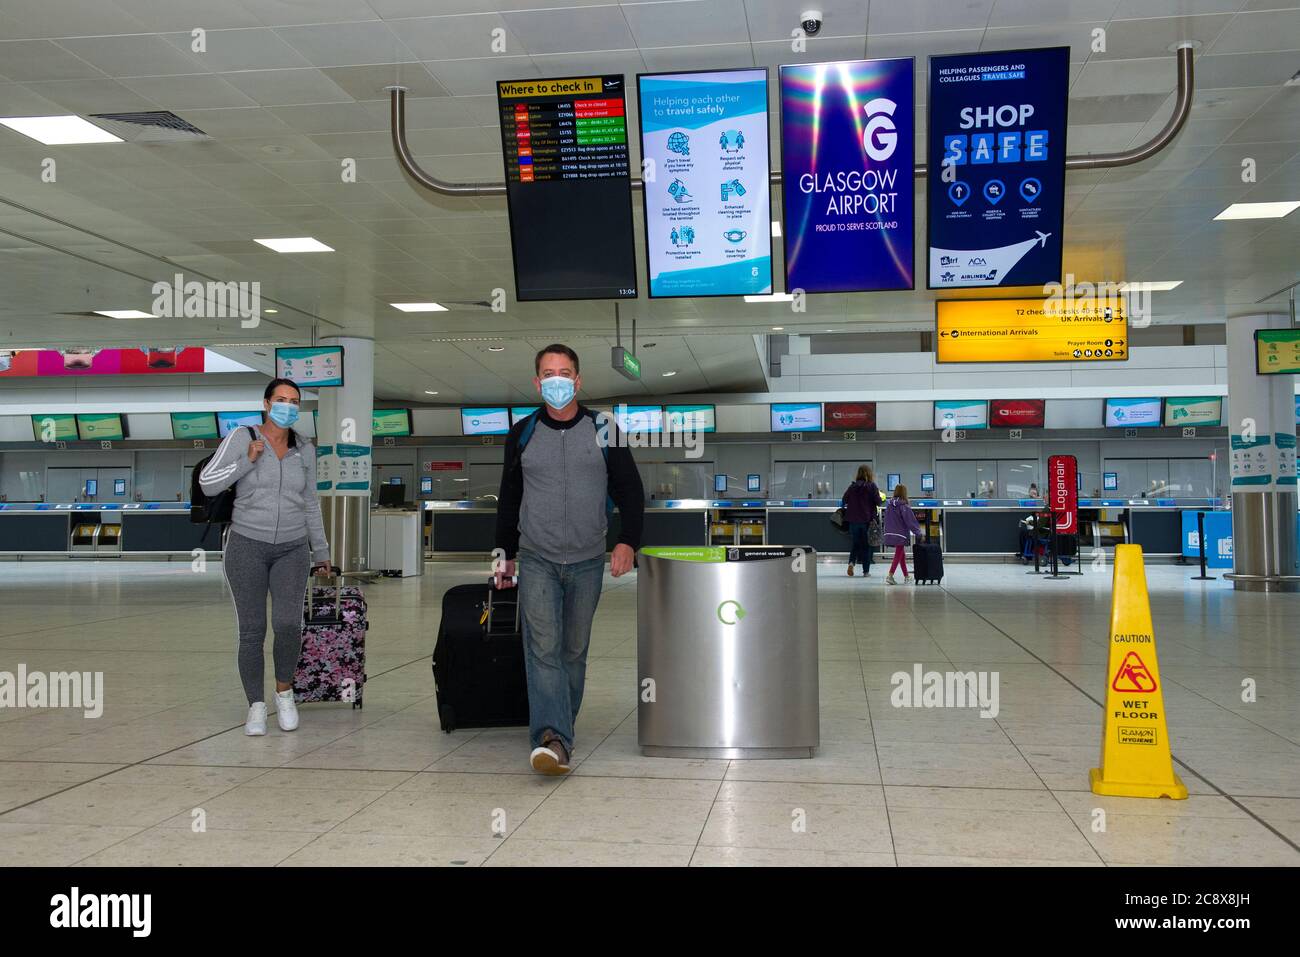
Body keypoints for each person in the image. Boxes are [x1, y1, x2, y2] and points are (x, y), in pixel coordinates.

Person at [494, 344, 645, 776]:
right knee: (543, 649)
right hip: (537, 555)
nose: (556, 380)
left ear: (578, 381)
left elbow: (630, 491)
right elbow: (510, 500)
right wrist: (503, 556)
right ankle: (551, 737)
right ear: (536, 382)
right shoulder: (521, 433)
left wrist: (626, 541)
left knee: (573, 651)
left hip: (585, 560)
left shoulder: (604, 429)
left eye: (564, 372)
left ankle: (560, 729)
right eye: (548, 373)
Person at [200, 378, 331, 736]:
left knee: (289, 625)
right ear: (266, 403)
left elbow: (309, 502)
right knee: (252, 630)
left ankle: (284, 693)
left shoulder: (305, 448)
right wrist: (247, 461)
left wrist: (321, 551)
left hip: (292, 547)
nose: (287, 406)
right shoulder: (242, 437)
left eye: (294, 401)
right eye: (281, 399)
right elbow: (208, 483)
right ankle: (255, 705)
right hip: (247, 545)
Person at [841, 465, 880, 577]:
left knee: (855, 544)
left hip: (853, 521)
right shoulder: (871, 486)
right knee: (866, 546)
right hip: (867, 520)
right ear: (869, 474)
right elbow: (878, 501)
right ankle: (866, 571)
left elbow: (844, 500)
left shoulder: (852, 487)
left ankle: (851, 563)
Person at [882, 484, 924, 585]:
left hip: (889, 532)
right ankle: (890, 575)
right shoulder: (904, 506)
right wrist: (918, 533)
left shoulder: (889, 505)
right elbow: (911, 522)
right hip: (900, 534)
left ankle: (906, 576)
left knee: (901, 554)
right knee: (898, 554)